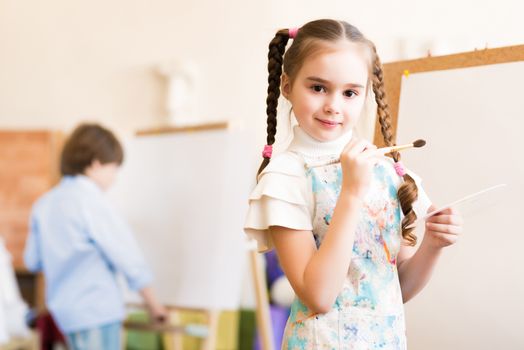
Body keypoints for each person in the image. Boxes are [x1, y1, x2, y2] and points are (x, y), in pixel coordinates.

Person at [244, 19, 464, 349]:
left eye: (349, 93)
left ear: (365, 95)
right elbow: (318, 295)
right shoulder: (284, 178)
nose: (334, 105)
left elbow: (394, 287)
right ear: (287, 86)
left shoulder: (385, 171)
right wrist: (351, 193)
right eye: (318, 88)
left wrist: (432, 244)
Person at [24, 123, 167, 350]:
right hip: (97, 311)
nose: (115, 178)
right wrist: (154, 305)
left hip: (65, 315)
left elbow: (32, 261)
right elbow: (128, 258)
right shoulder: (92, 203)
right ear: (96, 163)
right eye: (114, 168)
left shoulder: (44, 204)